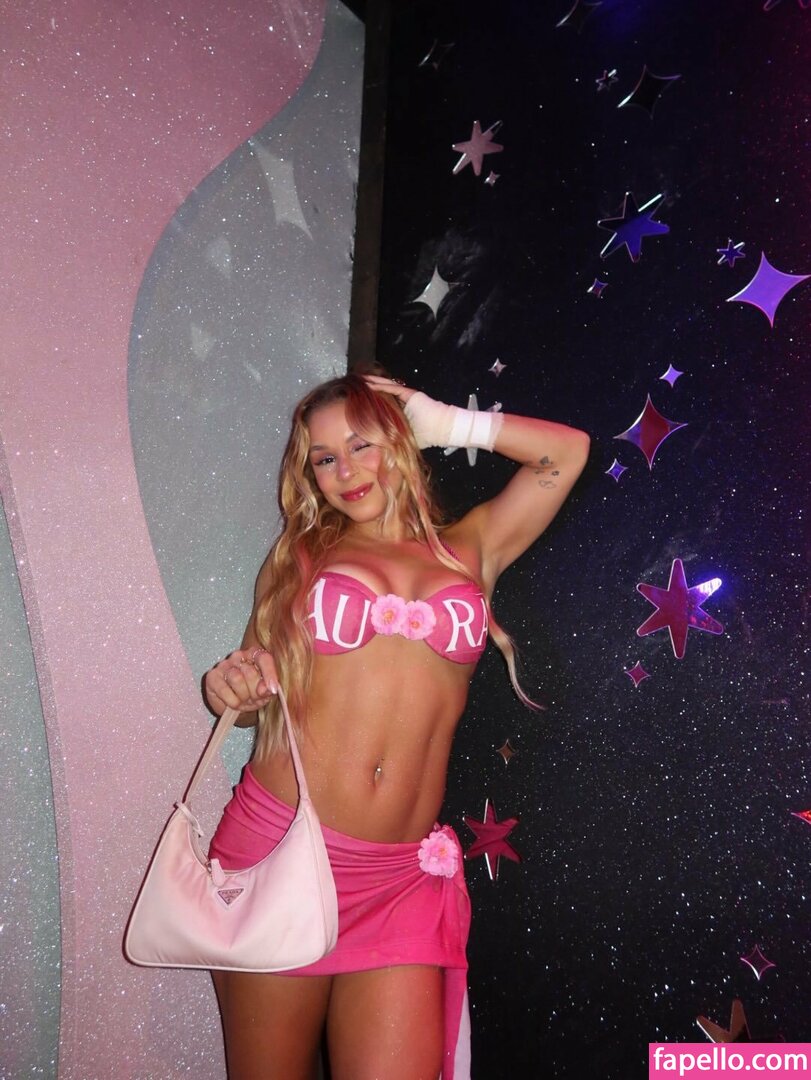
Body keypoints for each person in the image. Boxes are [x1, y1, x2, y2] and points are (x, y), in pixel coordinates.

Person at [203, 370, 589, 1080]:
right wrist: (233, 686)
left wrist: (448, 422)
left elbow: (566, 452)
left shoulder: (471, 547)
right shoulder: (299, 558)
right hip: (284, 855)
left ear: (403, 440)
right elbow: (259, 680)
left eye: (362, 444)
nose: (345, 471)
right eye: (324, 458)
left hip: (401, 880)